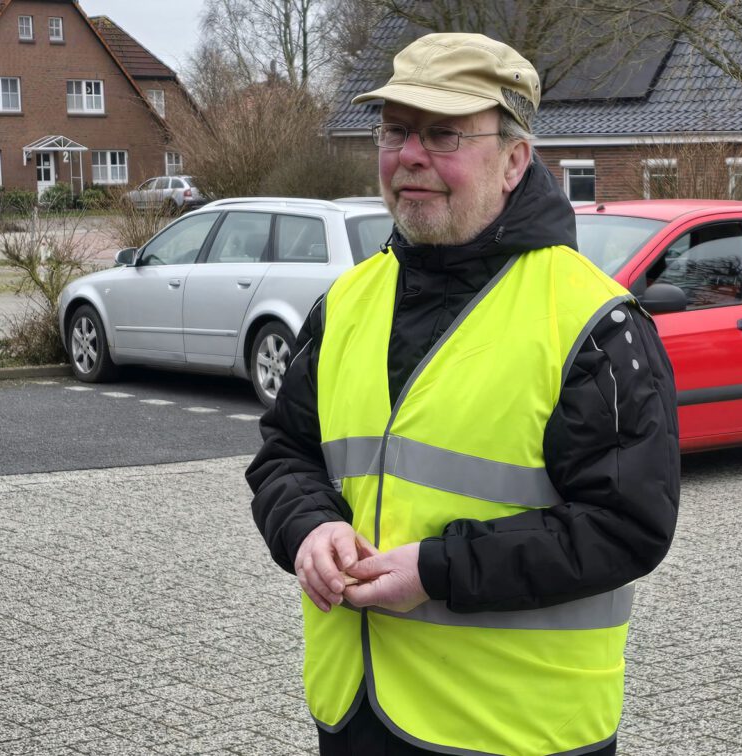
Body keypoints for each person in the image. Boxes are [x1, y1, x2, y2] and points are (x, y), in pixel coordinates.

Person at [247, 32, 680, 756]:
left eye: (443, 134)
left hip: (516, 732)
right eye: (395, 131)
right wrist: (308, 530)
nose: (410, 156)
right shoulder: (350, 301)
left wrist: (436, 570)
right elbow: (286, 453)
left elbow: (626, 526)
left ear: (515, 161)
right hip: (357, 717)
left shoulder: (592, 322)